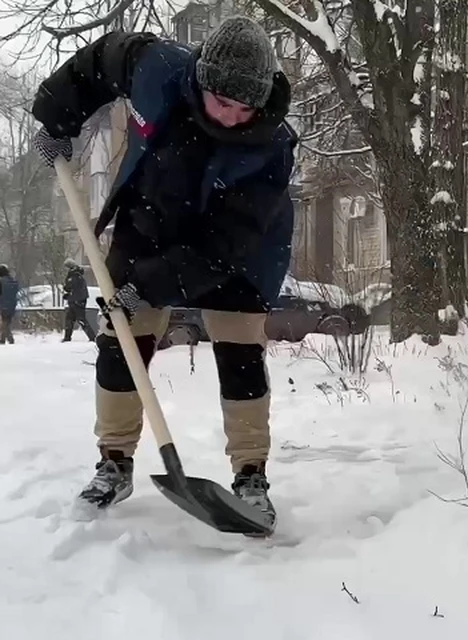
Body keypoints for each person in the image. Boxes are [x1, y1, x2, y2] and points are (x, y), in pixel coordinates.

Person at [31, 16, 297, 530]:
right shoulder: (156, 67)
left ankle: (250, 475)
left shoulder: (270, 146)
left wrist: (152, 286)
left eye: (247, 108)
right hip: (149, 220)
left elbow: (225, 245)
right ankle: (114, 461)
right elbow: (99, 60)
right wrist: (56, 119)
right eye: (225, 102)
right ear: (202, 79)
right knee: (121, 338)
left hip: (239, 247)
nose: (235, 117)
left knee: (240, 349)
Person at [62, 258, 96, 342]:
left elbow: (70, 287)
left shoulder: (74, 275)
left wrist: (68, 292)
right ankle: (67, 337)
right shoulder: (77, 274)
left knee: (80, 319)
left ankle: (92, 337)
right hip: (77, 299)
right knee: (70, 319)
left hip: (76, 301)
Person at [0, 264, 18, 344]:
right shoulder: (13, 281)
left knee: (4, 323)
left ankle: (9, 340)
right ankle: (3, 339)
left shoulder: (1, 281)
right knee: (6, 322)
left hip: (3, 304)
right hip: (12, 305)